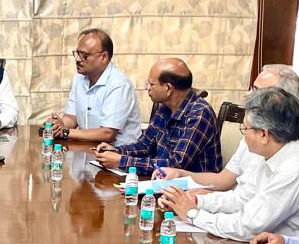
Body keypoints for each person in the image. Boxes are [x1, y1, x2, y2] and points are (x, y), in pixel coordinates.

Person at [160, 88, 299, 242]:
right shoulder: (271, 153)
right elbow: (241, 198)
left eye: (245, 129)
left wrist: (191, 214)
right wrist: (195, 201)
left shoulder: (292, 170)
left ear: (264, 134)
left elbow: (247, 227)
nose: (244, 136)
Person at [158, 63, 299, 190]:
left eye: (258, 91)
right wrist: (181, 174)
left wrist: (205, 200)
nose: (248, 94)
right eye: (252, 88)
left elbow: (258, 206)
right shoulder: (254, 126)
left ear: (283, 98)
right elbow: (224, 179)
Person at [93, 58, 221, 175]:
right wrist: (116, 151)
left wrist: (121, 161)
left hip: (193, 188)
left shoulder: (199, 114)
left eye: (151, 84)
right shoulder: (164, 108)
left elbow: (176, 164)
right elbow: (144, 146)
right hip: (163, 182)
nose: (146, 88)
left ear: (168, 88)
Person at [47, 27, 140, 147]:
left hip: (119, 153)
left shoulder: (119, 84)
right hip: (88, 148)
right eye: (77, 54)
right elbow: (71, 118)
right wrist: (57, 125)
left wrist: (65, 132)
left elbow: (107, 133)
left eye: (84, 55)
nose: (78, 60)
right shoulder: (78, 79)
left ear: (103, 57)